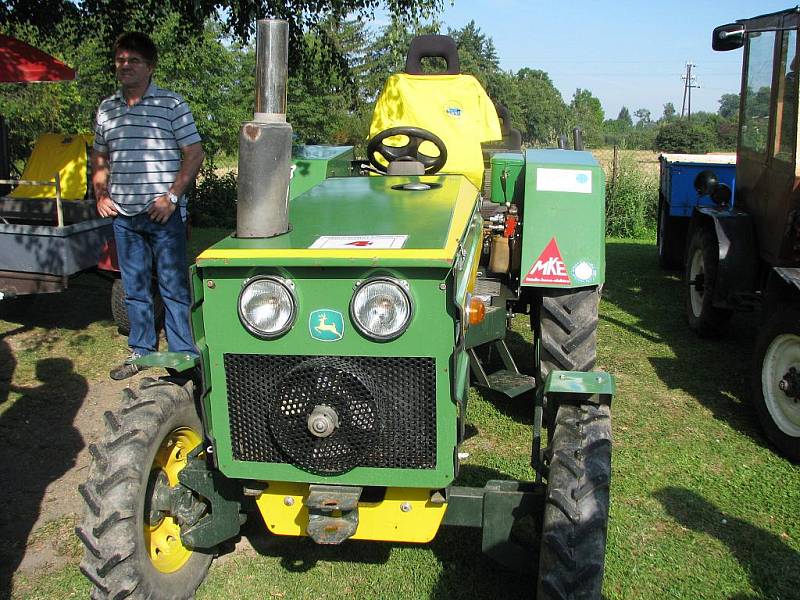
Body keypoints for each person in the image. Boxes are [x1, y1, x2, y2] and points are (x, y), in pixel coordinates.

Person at [92, 32, 205, 380]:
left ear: (150, 66)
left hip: (163, 214)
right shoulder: (107, 109)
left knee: (173, 286)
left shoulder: (171, 105)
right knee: (134, 287)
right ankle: (140, 352)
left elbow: (194, 154)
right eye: (121, 60)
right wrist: (100, 193)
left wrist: (172, 197)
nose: (125, 66)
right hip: (124, 216)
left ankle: (184, 357)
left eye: (134, 61)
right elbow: (99, 155)